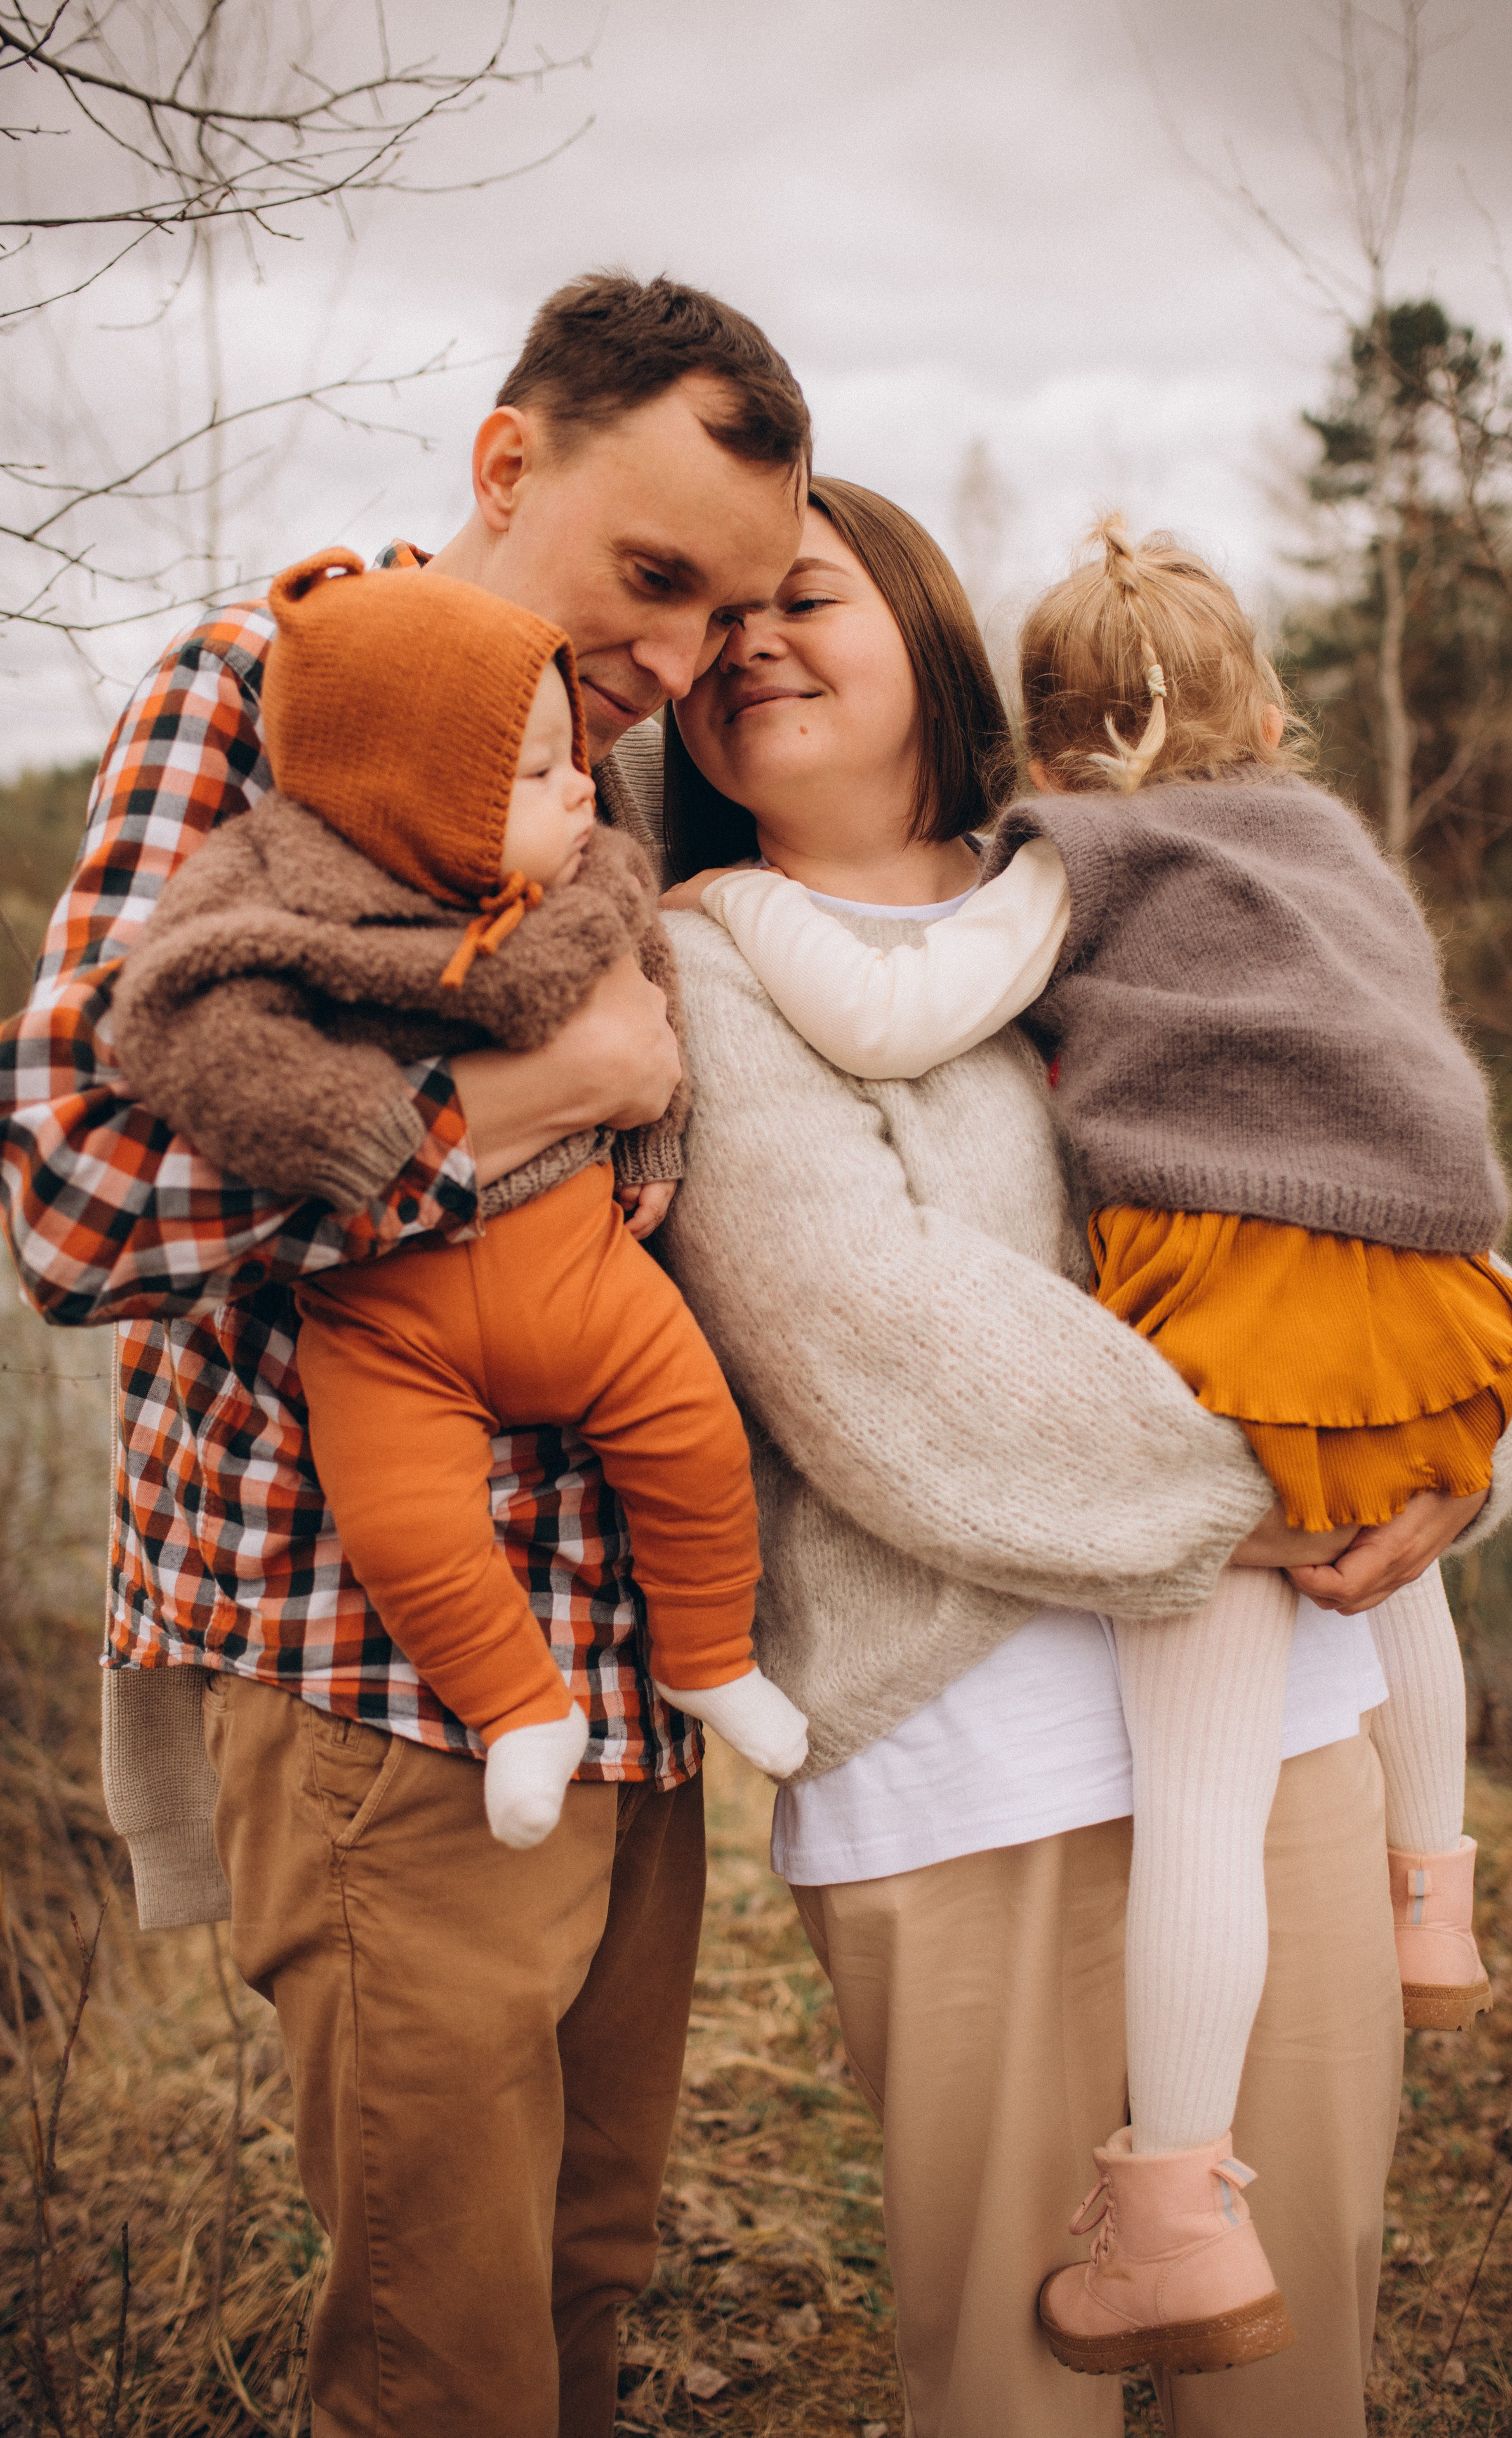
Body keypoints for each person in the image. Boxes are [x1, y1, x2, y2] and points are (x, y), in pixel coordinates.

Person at [655, 476, 1512, 2437]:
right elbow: (877, 1350)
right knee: (1013, 2373)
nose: (751, 647)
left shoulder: (1147, 878)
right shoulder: (715, 959)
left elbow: (1413, 1224)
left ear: (925, 630)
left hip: (1290, 1732)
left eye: (797, 596)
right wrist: (1314, 1479)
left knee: (1294, 2346)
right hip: (972, 1766)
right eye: (706, 628)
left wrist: (1469, 1461)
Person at [0, 273, 810, 2438]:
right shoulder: (264, 688)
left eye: (723, 614)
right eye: (653, 578)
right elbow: (74, 1201)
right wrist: (495, 1125)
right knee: (440, 2354)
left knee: (585, 2277)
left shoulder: (623, 800)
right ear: (507, 461)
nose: (672, 661)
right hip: (372, 1679)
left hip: (623, 1688)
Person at [111, 547, 809, 1846]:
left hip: (581, 1275)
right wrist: (371, 1132)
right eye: (538, 774)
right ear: (418, 797)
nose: (580, 792)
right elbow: (186, 1027)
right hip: (385, 1318)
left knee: (693, 1436)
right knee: (404, 1520)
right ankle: (514, 1714)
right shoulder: (300, 897)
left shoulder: (586, 872)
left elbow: (646, 974)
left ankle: (706, 1650)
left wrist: (653, 1140)